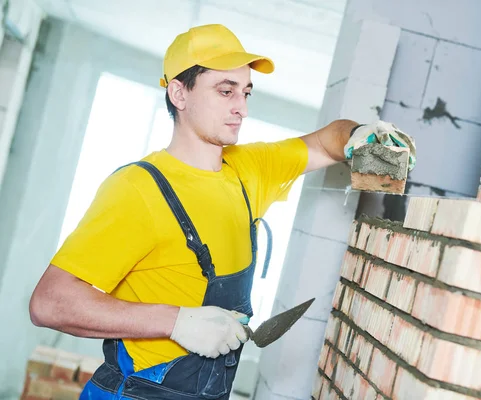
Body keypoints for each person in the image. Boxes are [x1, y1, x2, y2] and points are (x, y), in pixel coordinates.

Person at [28, 24, 403, 399]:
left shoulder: (250, 168)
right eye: (225, 91)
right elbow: (49, 303)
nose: (241, 106)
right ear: (179, 93)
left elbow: (326, 140)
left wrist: (361, 136)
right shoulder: (137, 190)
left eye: (245, 92)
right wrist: (176, 322)